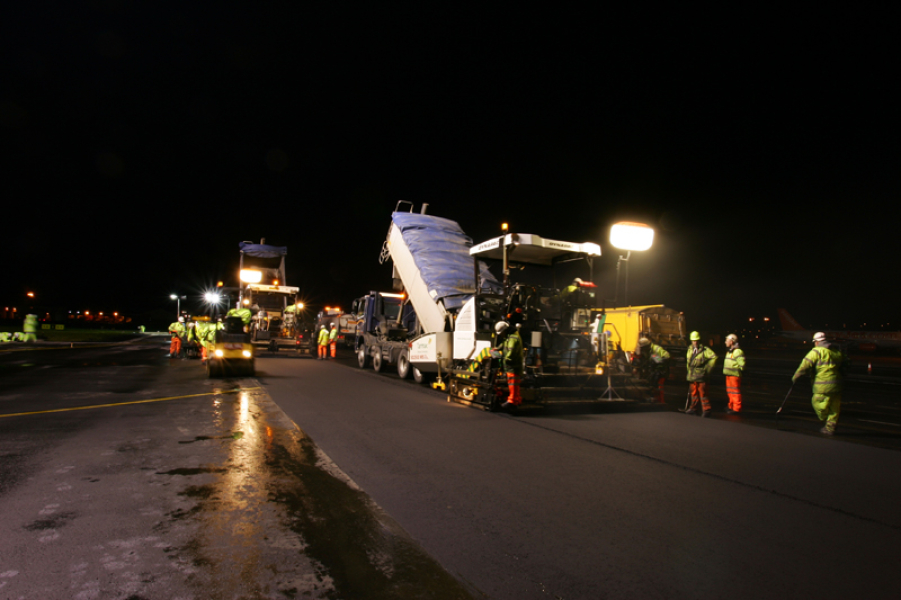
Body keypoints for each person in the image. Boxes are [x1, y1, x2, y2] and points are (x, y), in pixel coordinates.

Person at [792, 332, 846, 435]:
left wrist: (796, 377)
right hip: (837, 385)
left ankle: (825, 418)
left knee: (818, 404)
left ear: (816, 342)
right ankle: (830, 428)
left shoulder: (816, 352)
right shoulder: (835, 352)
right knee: (834, 409)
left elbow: (804, 366)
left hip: (823, 385)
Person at [685, 331, 717, 417]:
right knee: (693, 393)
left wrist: (707, 369)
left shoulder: (705, 350)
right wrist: (689, 372)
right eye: (693, 340)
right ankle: (693, 408)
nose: (695, 342)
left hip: (701, 376)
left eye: (696, 340)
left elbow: (714, 357)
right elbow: (688, 363)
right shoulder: (690, 350)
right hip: (692, 376)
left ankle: (707, 410)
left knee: (703, 393)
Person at [496, 321, 523, 408]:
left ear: (505, 330)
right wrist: (497, 348)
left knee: (513, 383)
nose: (501, 335)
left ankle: (512, 401)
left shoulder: (513, 338)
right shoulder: (510, 336)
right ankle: (516, 400)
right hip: (511, 366)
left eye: (501, 333)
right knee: (513, 383)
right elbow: (504, 344)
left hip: (513, 365)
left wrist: (507, 359)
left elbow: (511, 350)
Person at [639, 337, 670, 403]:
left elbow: (667, 356)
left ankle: (661, 402)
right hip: (654, 371)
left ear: (647, 346)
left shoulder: (656, 349)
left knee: (659, 387)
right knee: (653, 386)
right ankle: (655, 400)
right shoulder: (647, 351)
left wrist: (657, 360)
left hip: (661, 371)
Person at [723, 333, 745, 413]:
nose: (725, 342)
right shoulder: (729, 352)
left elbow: (742, 364)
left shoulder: (737, 352)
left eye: (727, 340)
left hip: (734, 376)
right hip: (729, 375)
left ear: (731, 342)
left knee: (735, 392)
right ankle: (731, 406)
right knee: (730, 392)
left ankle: (736, 408)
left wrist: (738, 370)